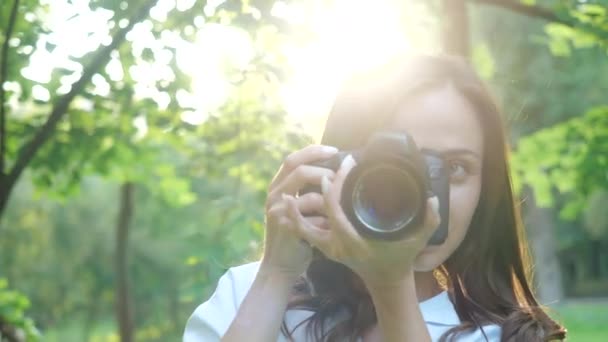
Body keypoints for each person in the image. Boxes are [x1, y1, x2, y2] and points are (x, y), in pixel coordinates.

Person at [183, 55, 567, 341]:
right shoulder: (250, 292)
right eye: (395, 166)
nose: (424, 194)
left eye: (453, 169)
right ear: (333, 167)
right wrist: (275, 275)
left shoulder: (508, 336)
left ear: (487, 191)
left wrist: (391, 286)